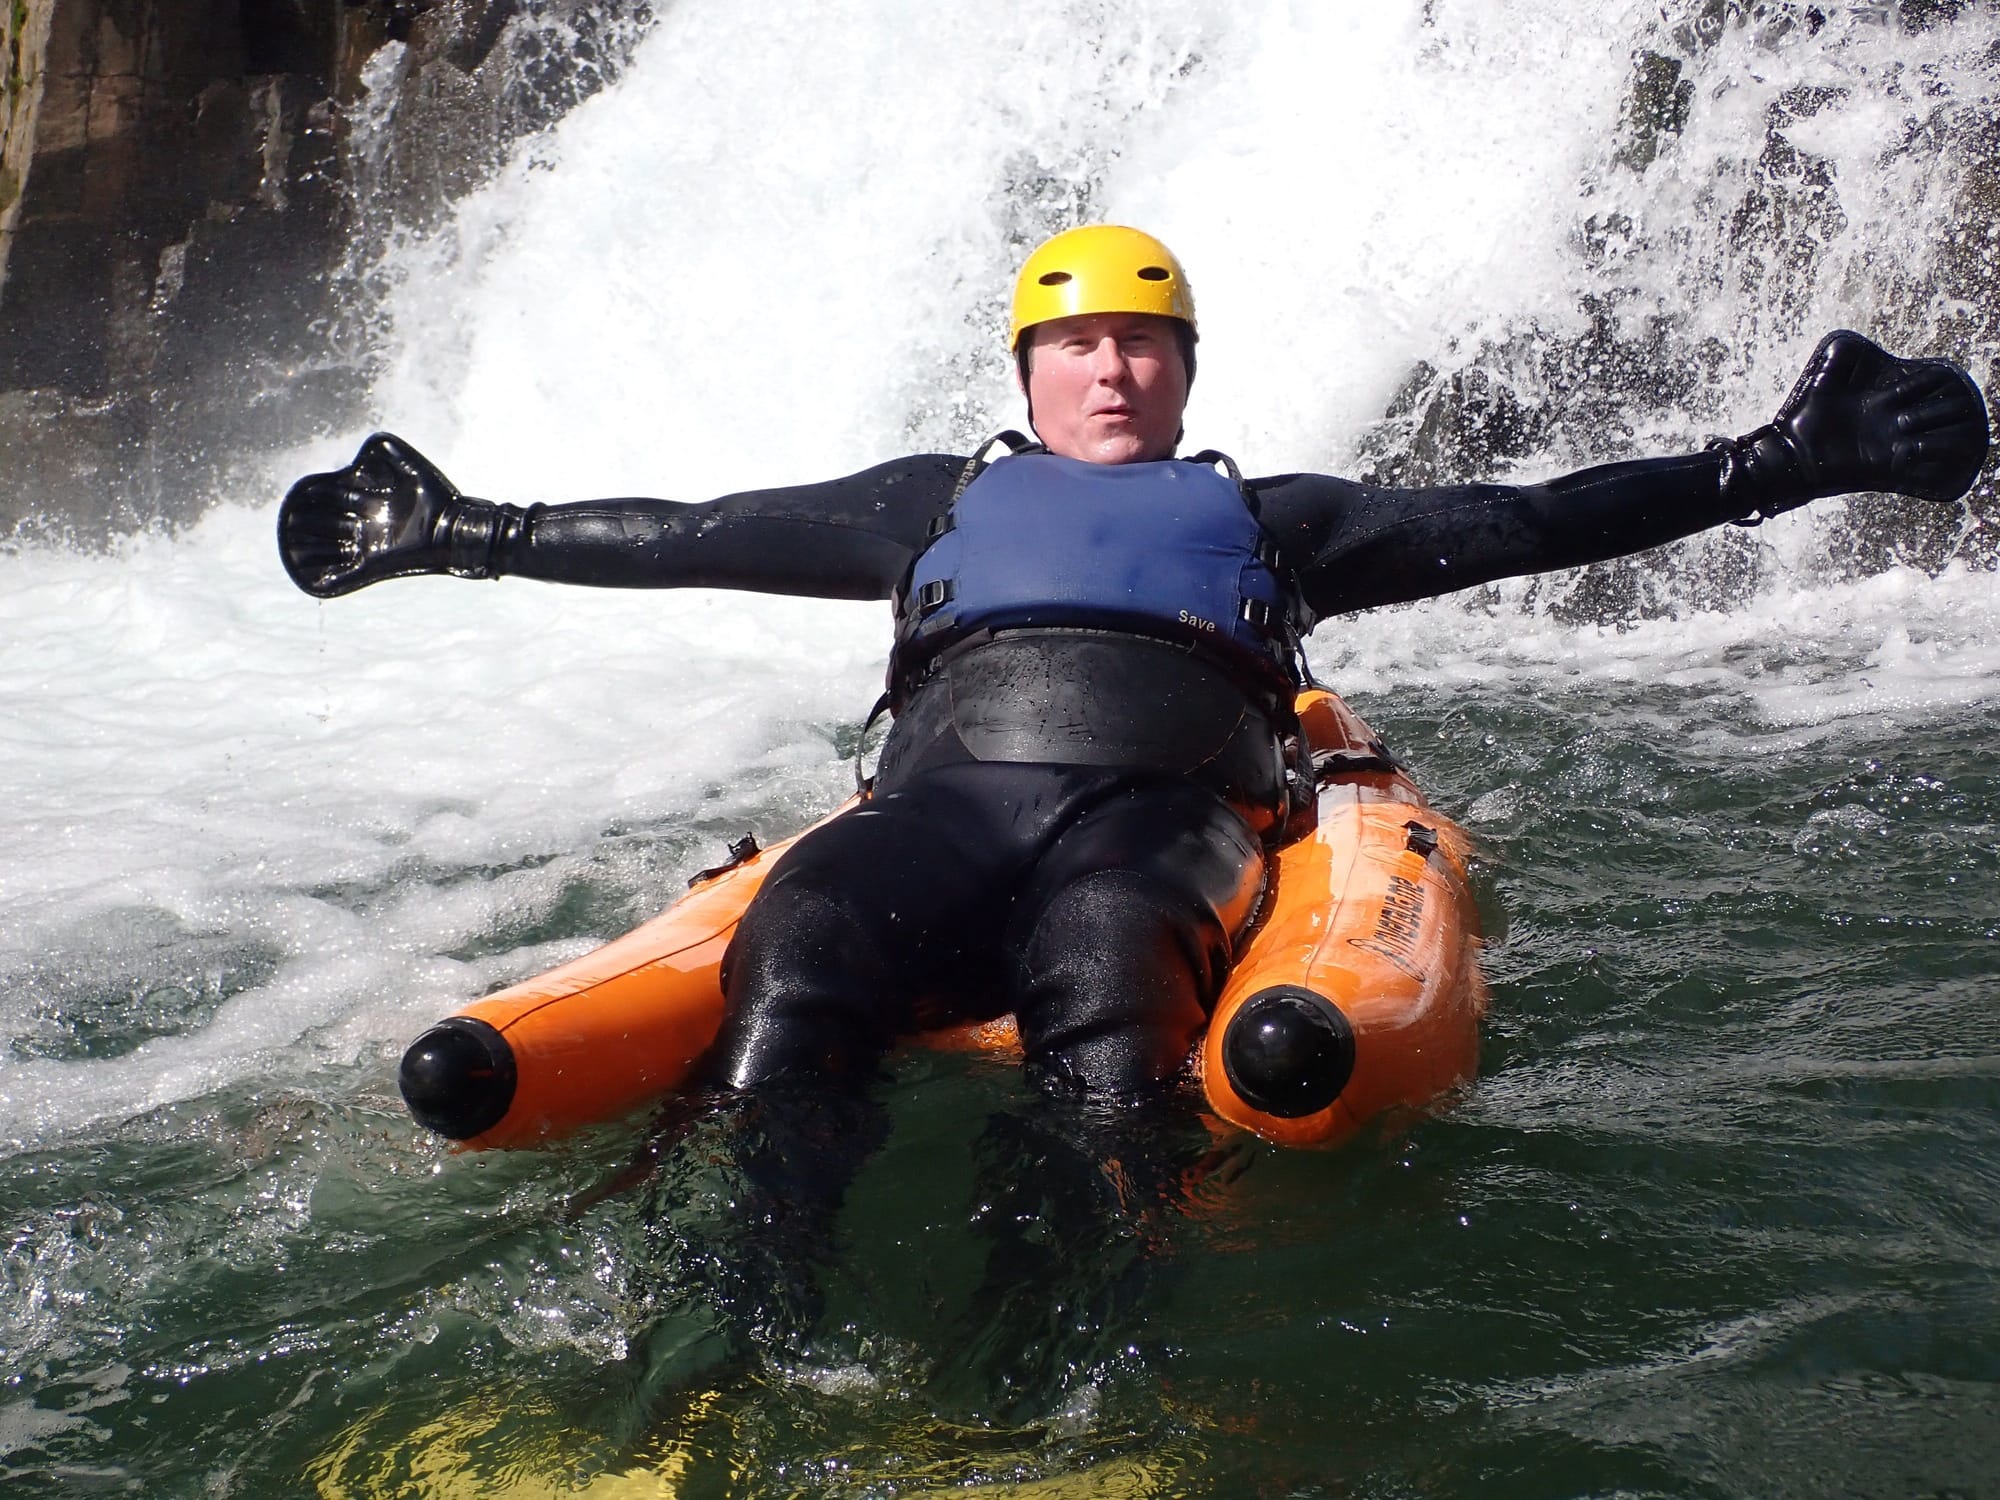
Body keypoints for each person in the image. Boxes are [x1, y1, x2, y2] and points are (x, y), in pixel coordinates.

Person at [280, 224, 1989, 1111]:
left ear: (1185, 372)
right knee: (799, 949)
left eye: (1145, 347)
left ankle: (1078, 1383)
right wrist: (464, 530)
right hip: (939, 812)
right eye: (1081, 343)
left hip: (1163, 824)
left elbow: (1531, 519)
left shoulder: (1280, 521)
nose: (1113, 372)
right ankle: (735, 1339)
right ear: (1030, 369)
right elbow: (692, 534)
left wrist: (1780, 464)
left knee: (1109, 985)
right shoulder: (930, 502)